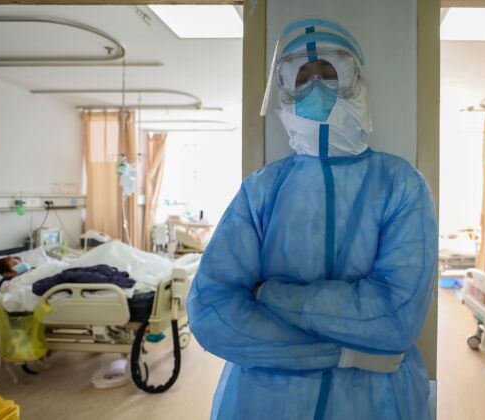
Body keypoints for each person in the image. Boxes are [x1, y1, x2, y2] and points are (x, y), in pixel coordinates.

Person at [187, 18, 437, 420]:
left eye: (329, 73)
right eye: (303, 76)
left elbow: (394, 317)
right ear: (285, 90)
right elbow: (211, 311)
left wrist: (268, 295)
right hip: (266, 405)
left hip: (375, 404)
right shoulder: (262, 190)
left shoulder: (400, 183)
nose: (317, 87)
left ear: (356, 81)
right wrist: (344, 354)